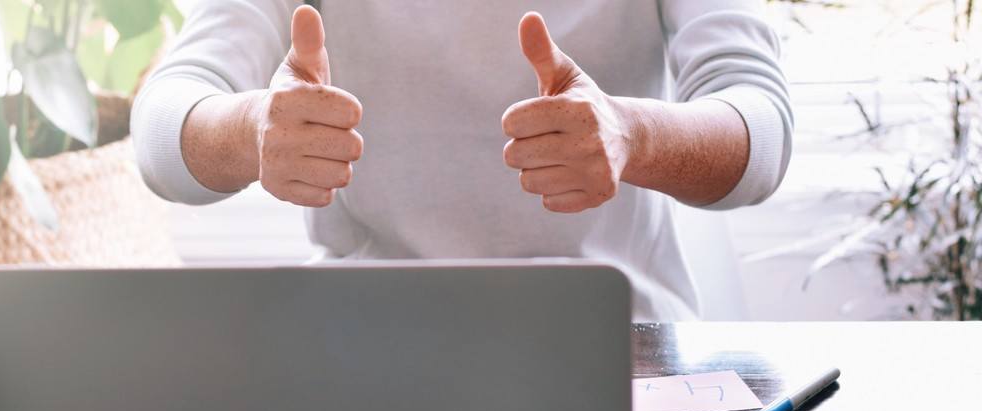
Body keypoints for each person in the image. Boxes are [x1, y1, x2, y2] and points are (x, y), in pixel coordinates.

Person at [132, 1, 792, 320]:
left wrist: (633, 135)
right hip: (363, 342)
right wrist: (252, 130)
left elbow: (761, 126)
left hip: (617, 346)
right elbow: (162, 127)